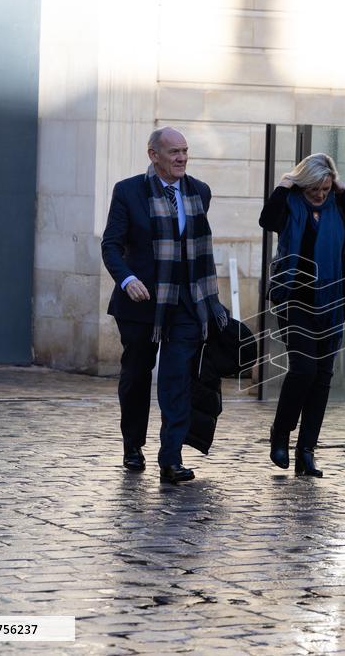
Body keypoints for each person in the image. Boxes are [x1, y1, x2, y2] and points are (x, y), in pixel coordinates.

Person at [102, 126, 228, 484]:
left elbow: (196, 250)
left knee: (177, 381)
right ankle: (132, 445)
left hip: (187, 303)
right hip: (141, 305)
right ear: (153, 155)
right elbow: (111, 245)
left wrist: (209, 302)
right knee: (137, 377)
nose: (181, 158)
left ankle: (170, 459)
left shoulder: (199, 191)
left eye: (185, 151)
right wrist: (128, 280)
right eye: (174, 152)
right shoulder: (128, 191)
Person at [260, 153, 345, 477]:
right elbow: (267, 220)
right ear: (302, 185)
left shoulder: (338, 207)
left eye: (326, 189)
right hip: (294, 300)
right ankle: (281, 433)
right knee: (303, 369)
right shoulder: (289, 205)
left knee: (322, 377)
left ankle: (306, 452)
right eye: (314, 189)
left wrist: (343, 189)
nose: (320, 195)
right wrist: (283, 185)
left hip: (332, 302)